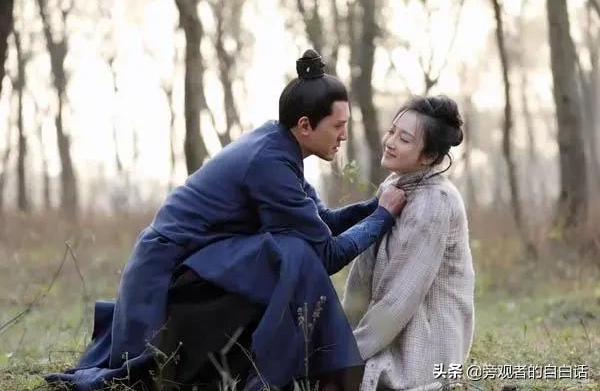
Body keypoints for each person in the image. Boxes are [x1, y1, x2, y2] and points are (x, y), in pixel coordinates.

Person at [46, 50, 407, 391]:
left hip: (210, 260)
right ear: (305, 126)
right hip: (169, 270)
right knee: (294, 254)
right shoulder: (269, 163)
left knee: (293, 249)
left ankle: (286, 365)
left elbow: (322, 222)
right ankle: (301, 370)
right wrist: (382, 217)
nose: (344, 135)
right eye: (338, 125)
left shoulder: (280, 147)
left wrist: (374, 205)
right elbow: (326, 254)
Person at [342, 96, 475, 391]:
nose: (390, 142)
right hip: (390, 327)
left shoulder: (435, 203)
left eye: (404, 139)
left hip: (425, 341)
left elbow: (400, 298)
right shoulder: (394, 185)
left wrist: (346, 353)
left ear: (428, 156)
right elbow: (361, 279)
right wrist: (339, 337)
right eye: (392, 131)